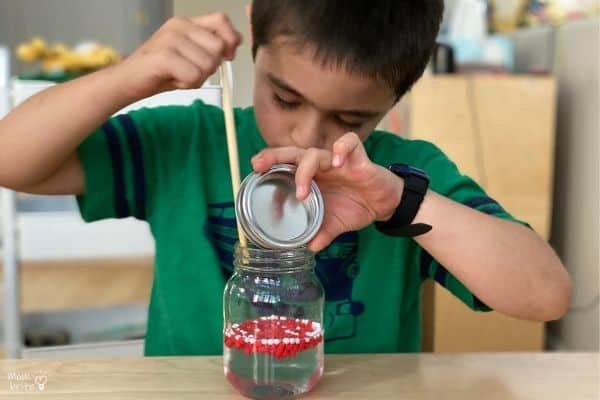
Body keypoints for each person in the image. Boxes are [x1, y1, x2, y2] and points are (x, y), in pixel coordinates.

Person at [0, 1, 571, 355]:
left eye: (349, 119)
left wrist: (399, 200)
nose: (305, 137)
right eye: (284, 96)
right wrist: (129, 77)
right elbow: (12, 160)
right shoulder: (189, 142)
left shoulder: (402, 174)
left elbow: (546, 295)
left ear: (396, 96)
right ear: (255, 28)